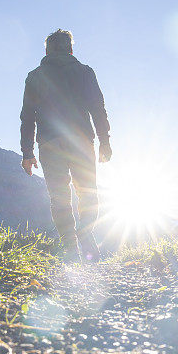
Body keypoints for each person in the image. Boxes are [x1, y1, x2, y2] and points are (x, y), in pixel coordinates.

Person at [20, 29, 111, 262]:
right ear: (71, 49)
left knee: (59, 196)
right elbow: (98, 108)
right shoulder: (85, 72)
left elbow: (27, 117)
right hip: (81, 140)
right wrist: (104, 141)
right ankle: (86, 235)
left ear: (47, 50)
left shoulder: (35, 76)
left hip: (50, 144)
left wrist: (27, 153)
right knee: (88, 191)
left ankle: (70, 247)